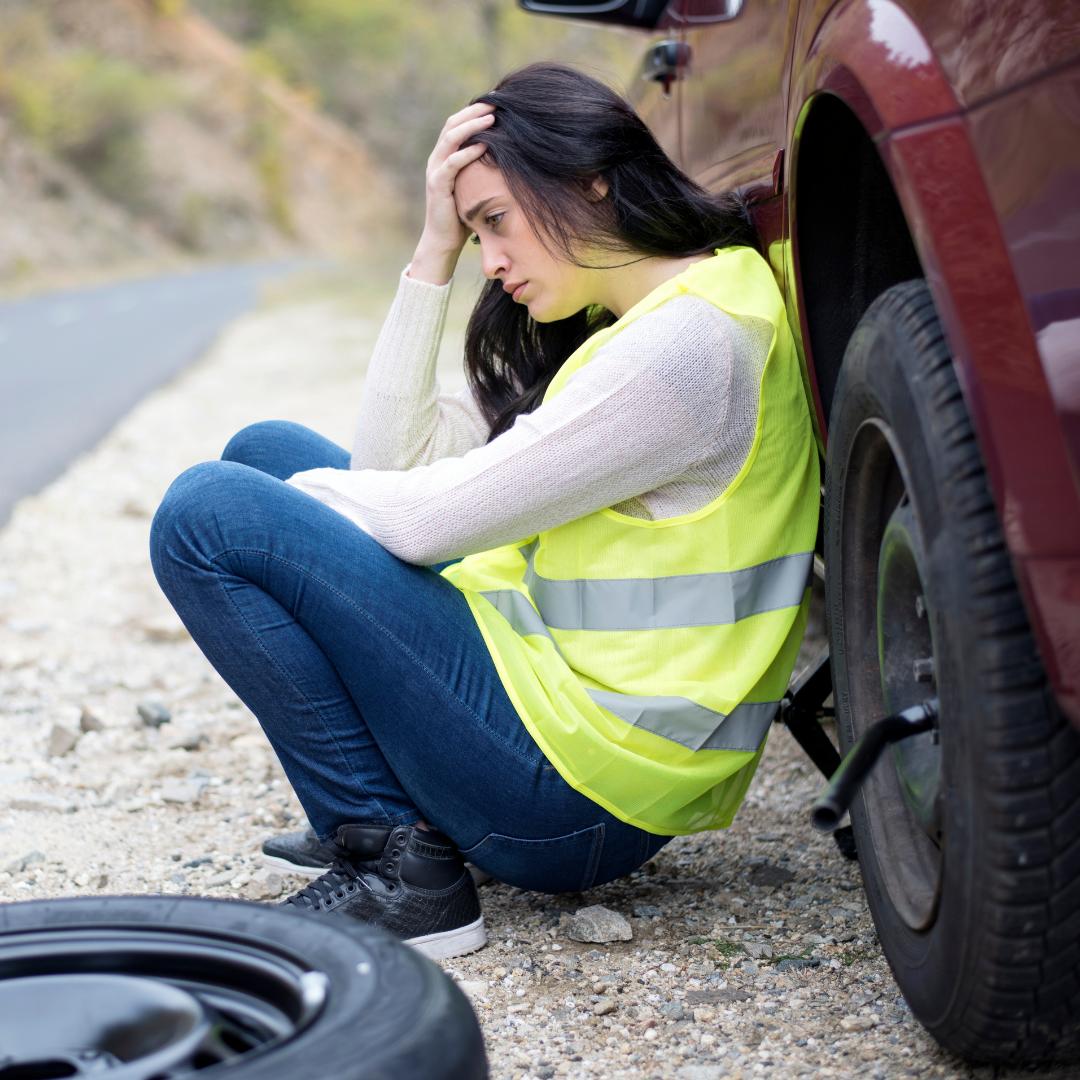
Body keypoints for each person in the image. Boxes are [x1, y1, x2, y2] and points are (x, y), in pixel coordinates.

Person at [150, 63, 819, 961]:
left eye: (494, 222)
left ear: (590, 181)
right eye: (476, 236)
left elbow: (422, 524)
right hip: (556, 713)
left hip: (581, 796)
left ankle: (402, 877)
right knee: (263, 451)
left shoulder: (685, 354)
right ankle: (396, 821)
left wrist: (278, 521)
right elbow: (396, 465)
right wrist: (434, 248)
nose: (493, 263)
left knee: (208, 512)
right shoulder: (638, 315)